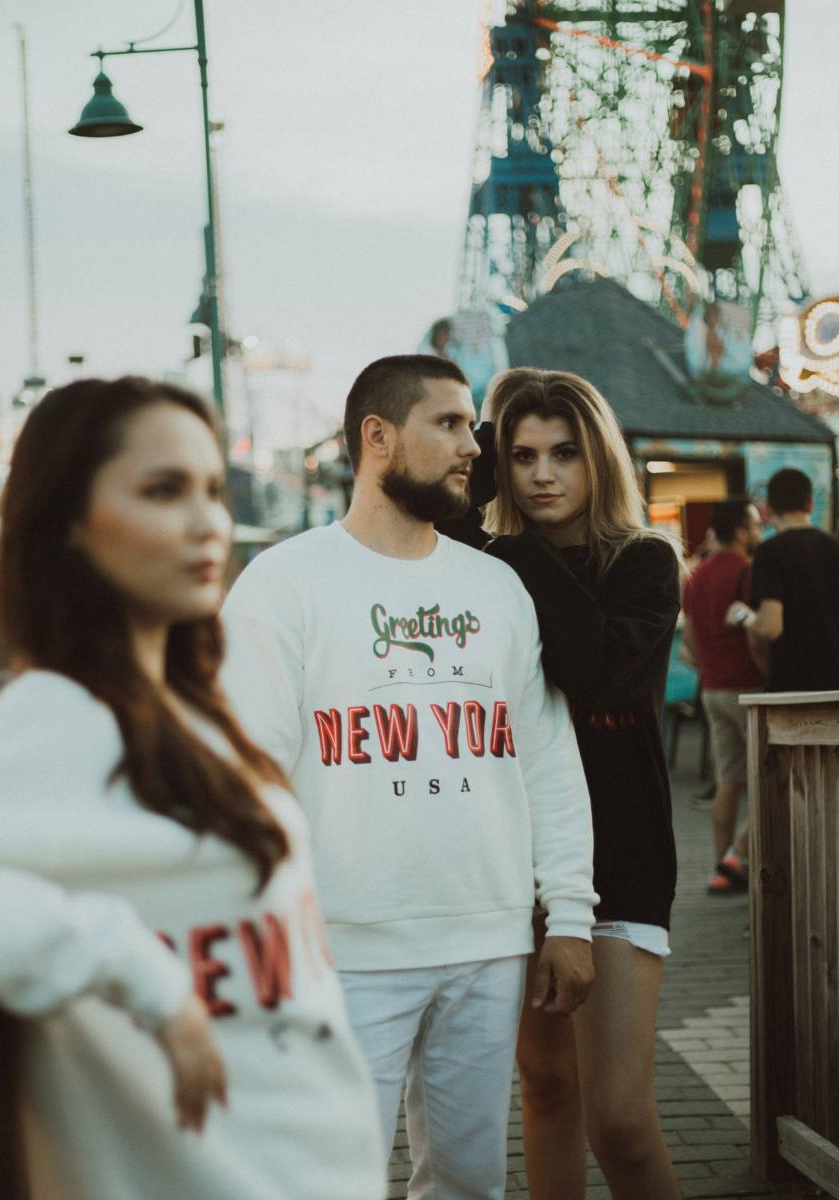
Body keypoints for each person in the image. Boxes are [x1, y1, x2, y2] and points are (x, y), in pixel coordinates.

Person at [0, 377, 385, 1200]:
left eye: (212, 489)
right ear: (69, 526)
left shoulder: (190, 704)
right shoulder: (61, 717)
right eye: (163, 490)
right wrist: (120, 960)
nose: (207, 521)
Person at [221, 355, 598, 1200]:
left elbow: (542, 756)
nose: (476, 446)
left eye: (473, 425)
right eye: (452, 424)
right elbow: (244, 778)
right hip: (342, 948)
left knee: (470, 1182)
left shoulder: (498, 586)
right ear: (378, 438)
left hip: (487, 943)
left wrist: (569, 914)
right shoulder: (283, 585)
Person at [441, 367, 682, 1200]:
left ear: (598, 461)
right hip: (512, 856)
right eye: (520, 455)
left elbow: (591, 668)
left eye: (565, 454)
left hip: (621, 855)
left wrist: (513, 553)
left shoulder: (645, 564)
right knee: (546, 1091)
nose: (543, 474)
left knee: (618, 1119)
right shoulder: (480, 570)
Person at [682, 499, 765, 893]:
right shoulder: (747, 573)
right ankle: (738, 856)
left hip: (712, 690)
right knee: (768, 781)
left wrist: (709, 669)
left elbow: (693, 642)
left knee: (729, 780)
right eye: (754, 524)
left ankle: (721, 868)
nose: (759, 531)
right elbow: (756, 637)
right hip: (748, 690)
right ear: (740, 530)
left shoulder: (695, 575)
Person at [726, 467, 839, 692]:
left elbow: (771, 627)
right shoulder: (836, 548)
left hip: (792, 684)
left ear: (768, 508)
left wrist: (743, 616)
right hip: (837, 683)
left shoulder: (769, 552)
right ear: (810, 504)